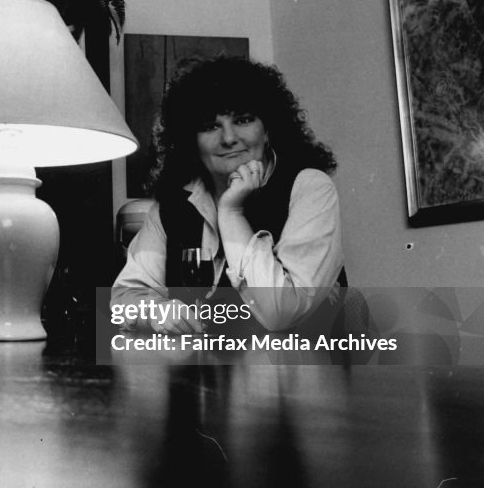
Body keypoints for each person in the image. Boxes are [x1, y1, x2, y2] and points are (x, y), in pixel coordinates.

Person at [112, 56, 344, 334]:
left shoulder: (309, 188)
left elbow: (281, 313)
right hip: (205, 374)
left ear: (268, 129)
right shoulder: (171, 208)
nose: (228, 138)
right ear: (191, 140)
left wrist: (231, 212)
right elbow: (123, 297)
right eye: (210, 126)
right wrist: (156, 312)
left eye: (243, 120)